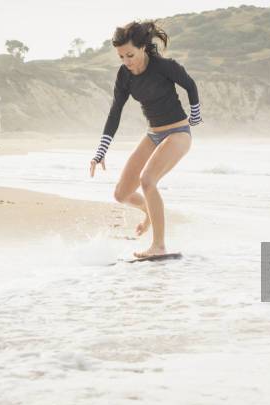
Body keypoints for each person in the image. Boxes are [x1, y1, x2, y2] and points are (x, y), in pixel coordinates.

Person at [89, 20, 203, 258]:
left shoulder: (163, 66)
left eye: (129, 55)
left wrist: (195, 116)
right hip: (153, 134)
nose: (126, 61)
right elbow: (115, 113)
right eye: (121, 57)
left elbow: (190, 86)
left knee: (147, 180)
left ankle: (159, 246)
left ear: (142, 47)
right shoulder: (125, 76)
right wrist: (100, 152)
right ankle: (151, 212)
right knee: (121, 194)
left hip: (178, 133)